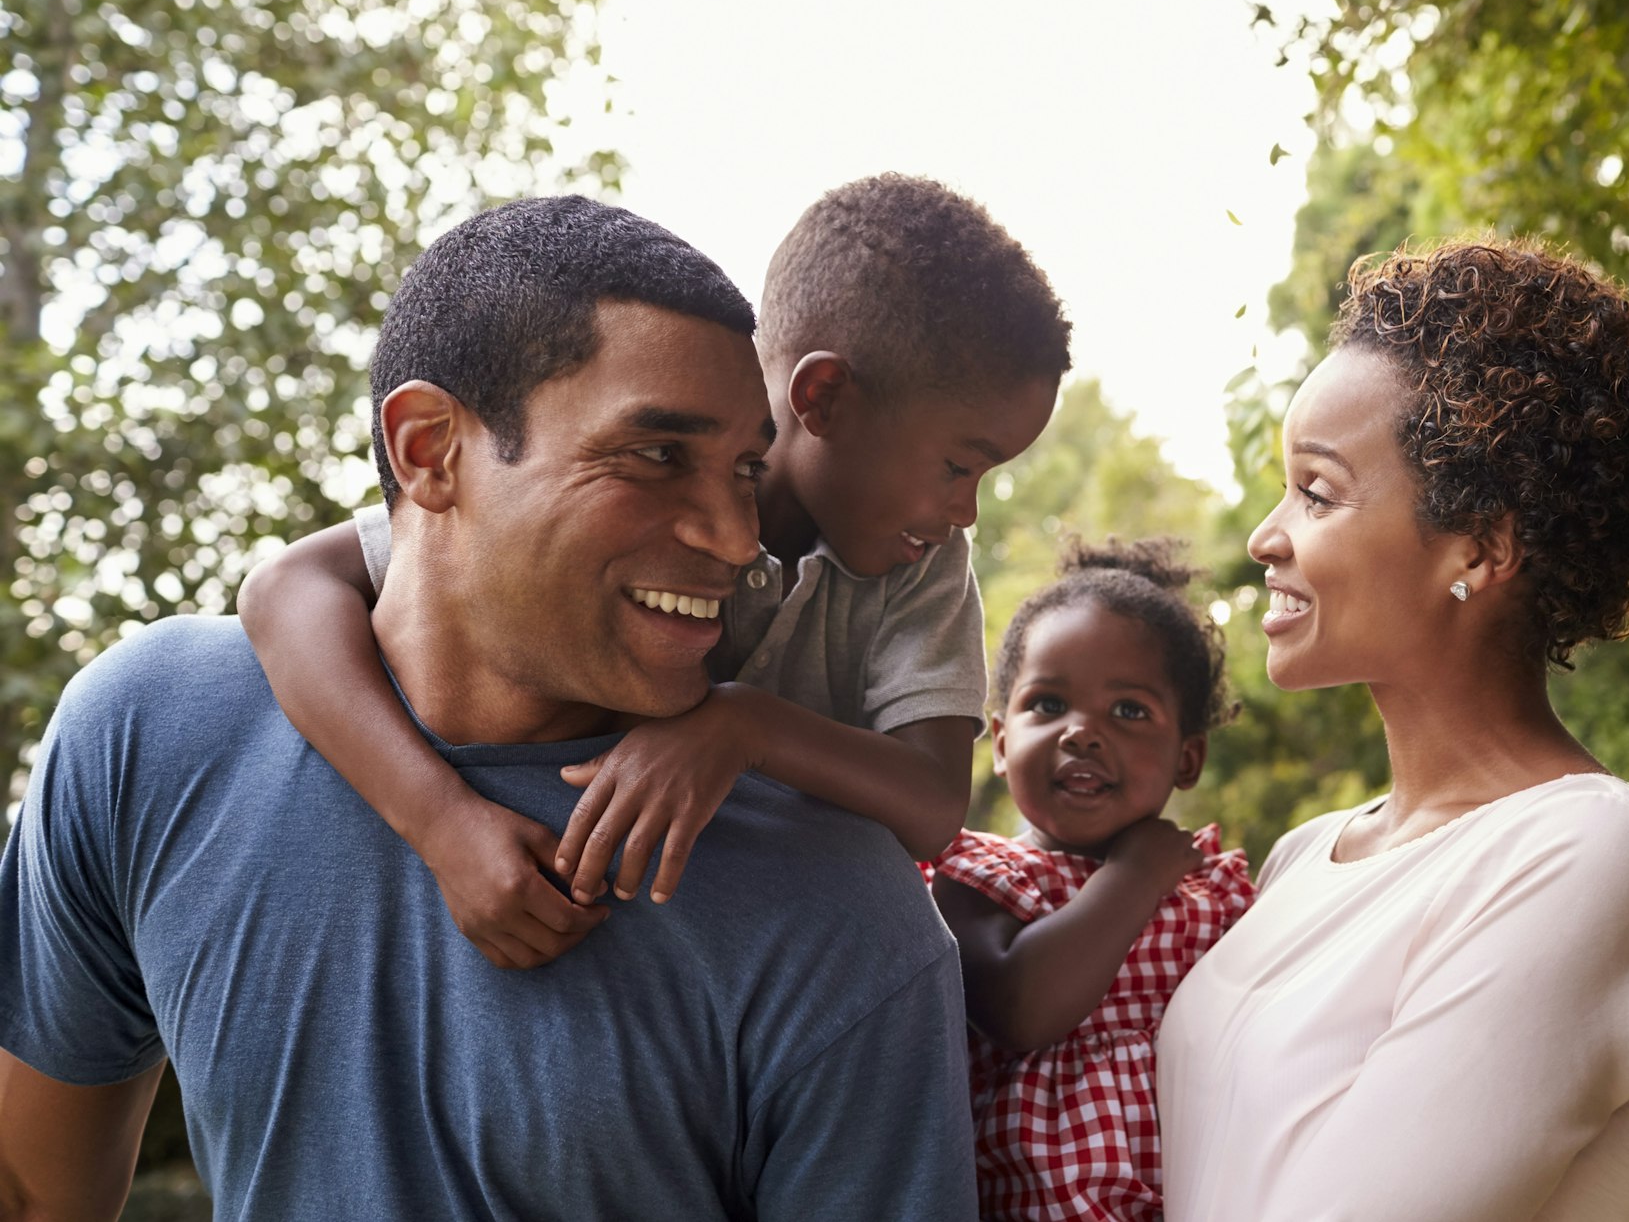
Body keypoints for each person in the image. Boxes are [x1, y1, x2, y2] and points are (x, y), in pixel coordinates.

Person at [0, 197, 978, 1219]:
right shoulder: (147, 733)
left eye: (744, 470)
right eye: (655, 455)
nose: (739, 540)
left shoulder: (841, 916)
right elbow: (31, 1191)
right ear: (429, 450)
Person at [234, 174, 1072, 968]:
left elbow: (931, 806)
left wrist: (738, 727)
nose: (967, 511)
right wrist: (440, 819)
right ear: (824, 399)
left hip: (786, 945)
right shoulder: (610, 509)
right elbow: (284, 590)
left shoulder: (918, 567)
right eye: (961, 466)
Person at [1157, 239, 1629, 1221]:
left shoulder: (1586, 858)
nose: (1263, 537)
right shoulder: (1299, 859)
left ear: (1480, 546)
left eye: (1316, 491)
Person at [931, 540, 1255, 1222]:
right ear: (999, 740)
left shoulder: (1218, 892)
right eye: (1047, 704)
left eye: (1129, 711)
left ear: (1187, 758)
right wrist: (1132, 876)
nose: (1082, 733)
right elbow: (1024, 1011)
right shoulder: (976, 878)